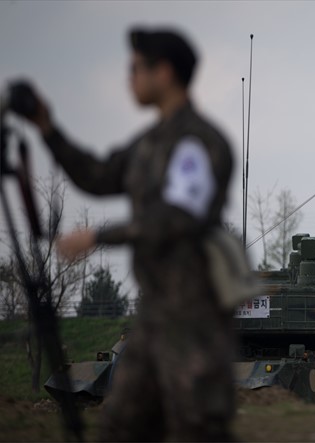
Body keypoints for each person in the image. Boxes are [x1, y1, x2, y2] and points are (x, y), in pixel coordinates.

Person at [10, 27, 237, 440]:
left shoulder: (200, 143)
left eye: (135, 68)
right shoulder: (147, 145)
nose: (128, 78)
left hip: (194, 322)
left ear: (163, 72)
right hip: (153, 318)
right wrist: (47, 127)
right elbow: (97, 176)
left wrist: (98, 236)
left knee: (198, 431)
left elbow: (175, 219)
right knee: (119, 427)